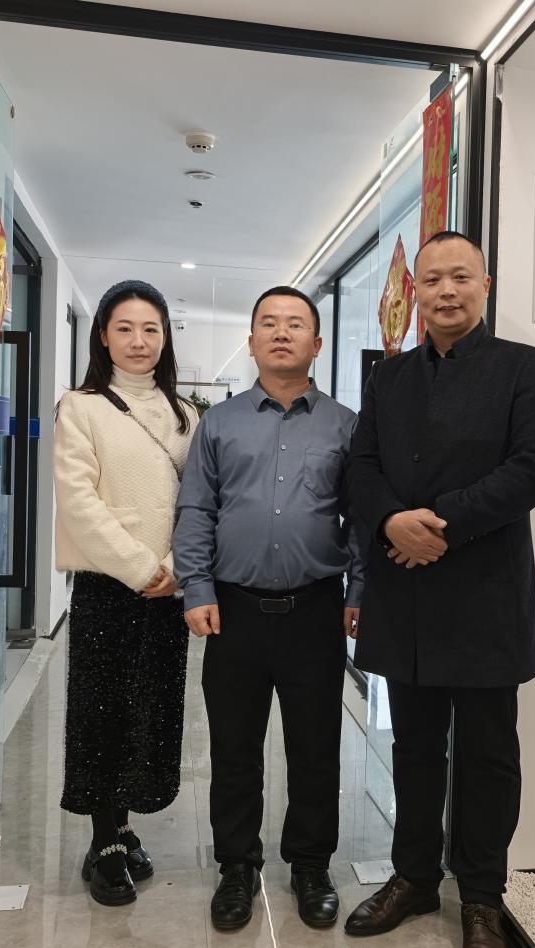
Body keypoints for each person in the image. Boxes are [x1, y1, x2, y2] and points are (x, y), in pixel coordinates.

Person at [342, 232, 535, 948]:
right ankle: (412, 877)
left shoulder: (524, 368)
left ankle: (481, 896)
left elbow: (533, 468)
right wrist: (391, 521)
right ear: (415, 293)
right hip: (404, 591)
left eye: (460, 277)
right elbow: (361, 467)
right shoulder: (390, 378)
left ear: (484, 286)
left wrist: (437, 526)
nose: (446, 291)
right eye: (432, 279)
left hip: (485, 592)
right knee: (412, 746)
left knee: (488, 755)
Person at [173, 285, 365, 932]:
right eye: (269, 324)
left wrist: (359, 591)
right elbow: (196, 508)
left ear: (317, 342)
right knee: (234, 750)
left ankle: (310, 866)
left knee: (316, 748)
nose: (282, 333)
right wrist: (197, 588)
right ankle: (236, 866)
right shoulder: (220, 424)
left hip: (315, 610)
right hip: (234, 611)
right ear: (252, 341)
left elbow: (361, 519)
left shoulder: (345, 426)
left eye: (296, 324)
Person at [53, 279, 198, 906]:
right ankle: (104, 841)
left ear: (165, 337)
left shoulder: (185, 413)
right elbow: (78, 501)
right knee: (101, 711)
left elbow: (200, 501)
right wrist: (142, 568)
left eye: (151, 329)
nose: (139, 341)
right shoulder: (80, 407)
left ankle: (124, 824)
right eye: (125, 328)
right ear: (103, 336)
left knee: (149, 710)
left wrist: (175, 566)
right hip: (109, 587)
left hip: (170, 590)